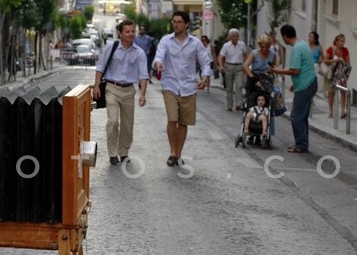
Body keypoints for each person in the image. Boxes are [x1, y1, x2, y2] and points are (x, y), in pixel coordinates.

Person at [152, 11, 211, 166]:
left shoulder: (195, 43)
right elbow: (159, 56)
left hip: (189, 87)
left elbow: (205, 63)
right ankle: (172, 152)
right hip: (170, 85)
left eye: (179, 22)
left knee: (183, 122)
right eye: (174, 21)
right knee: (172, 119)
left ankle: (178, 153)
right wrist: (158, 63)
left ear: (186, 24)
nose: (176, 24)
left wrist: (204, 78)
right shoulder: (166, 40)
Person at [93, 19, 148, 165]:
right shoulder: (111, 47)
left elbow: (143, 75)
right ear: (120, 33)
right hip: (112, 88)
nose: (131, 34)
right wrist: (96, 86)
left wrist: (143, 94)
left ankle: (123, 152)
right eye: (127, 32)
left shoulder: (139, 52)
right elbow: (100, 67)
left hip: (129, 91)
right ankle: (112, 153)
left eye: (133, 31)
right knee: (112, 121)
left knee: (127, 125)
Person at [272, 24, 317, 153]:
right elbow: (305, 67)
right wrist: (295, 84)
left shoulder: (297, 49)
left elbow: (295, 70)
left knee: (296, 117)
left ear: (285, 36)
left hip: (305, 86)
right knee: (302, 116)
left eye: (283, 37)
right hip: (309, 82)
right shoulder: (303, 44)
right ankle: (302, 143)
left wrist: (276, 70)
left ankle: (301, 145)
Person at [217, 28, 248, 111]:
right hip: (229, 66)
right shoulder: (226, 45)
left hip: (239, 67)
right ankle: (229, 105)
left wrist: (246, 65)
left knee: (239, 86)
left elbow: (245, 55)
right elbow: (221, 56)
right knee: (229, 87)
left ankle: (238, 104)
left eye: (237, 36)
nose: (235, 38)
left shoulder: (242, 44)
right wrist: (221, 66)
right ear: (230, 37)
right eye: (233, 36)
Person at [324, 33, 351, 118]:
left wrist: (343, 63)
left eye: (344, 41)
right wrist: (334, 60)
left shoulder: (345, 50)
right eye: (341, 41)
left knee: (343, 92)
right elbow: (325, 60)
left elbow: (348, 63)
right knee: (331, 92)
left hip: (341, 74)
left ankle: (343, 111)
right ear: (336, 41)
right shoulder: (331, 49)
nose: (343, 43)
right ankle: (331, 111)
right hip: (332, 74)